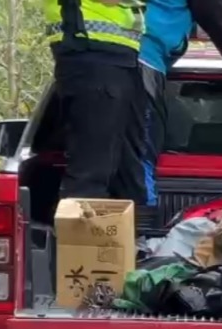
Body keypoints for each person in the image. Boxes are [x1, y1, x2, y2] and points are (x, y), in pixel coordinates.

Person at [137, 0, 222, 208]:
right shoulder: (141, 75)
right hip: (141, 53)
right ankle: (142, 214)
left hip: (121, 50)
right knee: (139, 151)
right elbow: (213, 10)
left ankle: (140, 222)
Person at [44, 0, 149, 205]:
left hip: (118, 56)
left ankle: (127, 233)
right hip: (90, 50)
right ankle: (78, 234)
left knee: (126, 173)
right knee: (90, 172)